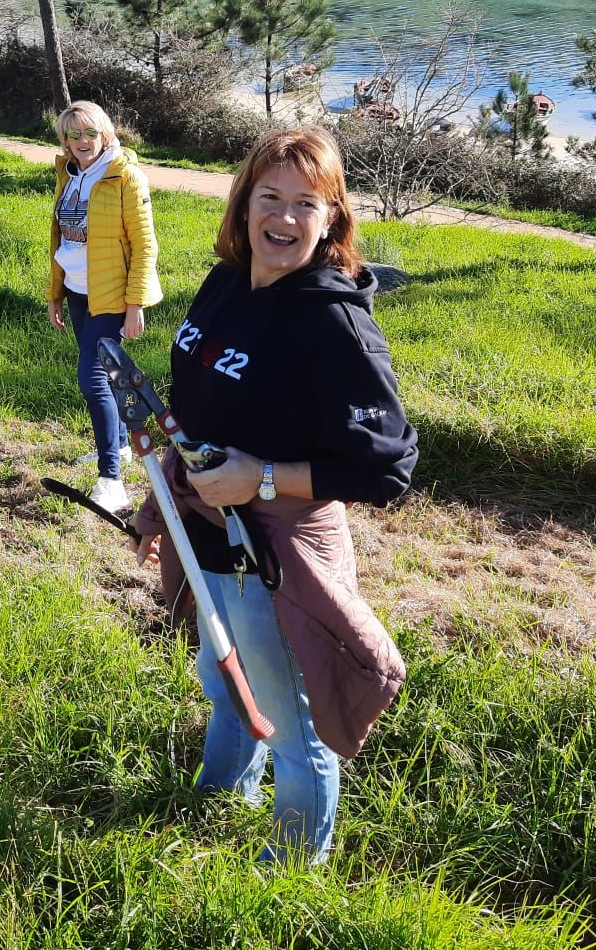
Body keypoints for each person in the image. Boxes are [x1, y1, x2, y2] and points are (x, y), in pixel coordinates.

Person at [131, 127, 417, 865]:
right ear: (244, 204)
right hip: (207, 529)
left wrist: (259, 477)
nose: (283, 219)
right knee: (222, 678)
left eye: (305, 204)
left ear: (332, 220)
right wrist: (164, 488)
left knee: (294, 725)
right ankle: (220, 796)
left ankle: (287, 871)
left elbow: (388, 471)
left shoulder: (334, 326)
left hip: (277, 551)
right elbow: (195, 404)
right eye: (269, 198)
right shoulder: (226, 282)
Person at [46, 100, 162, 514]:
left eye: (89, 133)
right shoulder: (69, 173)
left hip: (110, 297)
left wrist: (135, 305)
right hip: (77, 291)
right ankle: (118, 445)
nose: (81, 142)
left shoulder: (125, 177)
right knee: (107, 377)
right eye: (73, 135)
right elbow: (61, 237)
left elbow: (145, 245)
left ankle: (111, 479)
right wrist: (55, 295)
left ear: (105, 133)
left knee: (91, 379)